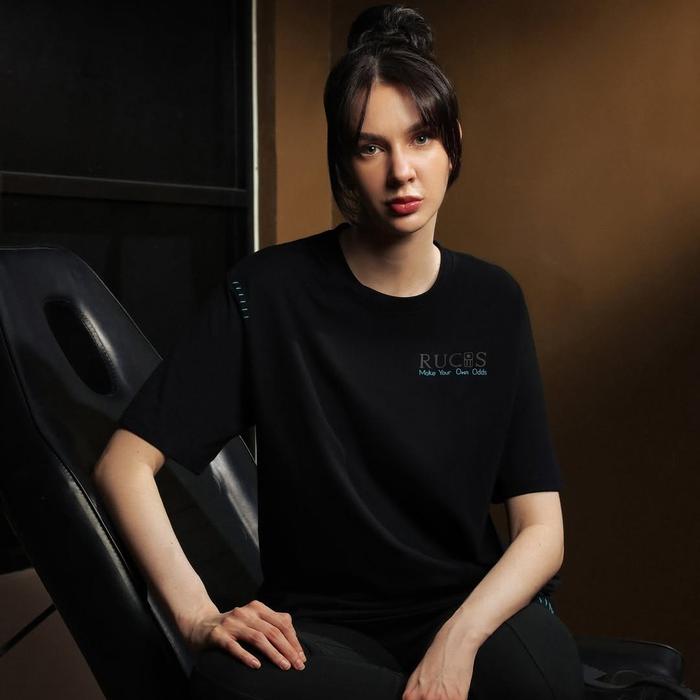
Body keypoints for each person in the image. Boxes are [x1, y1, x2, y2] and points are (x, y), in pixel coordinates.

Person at [93, 4, 585, 699]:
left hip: (469, 607)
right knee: (229, 685)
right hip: (319, 627)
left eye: (420, 138)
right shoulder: (267, 292)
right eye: (369, 147)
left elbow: (541, 529)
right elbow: (122, 466)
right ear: (345, 164)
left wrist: (458, 642)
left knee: (543, 686)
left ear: (452, 145)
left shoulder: (493, 301)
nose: (401, 171)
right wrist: (197, 616)